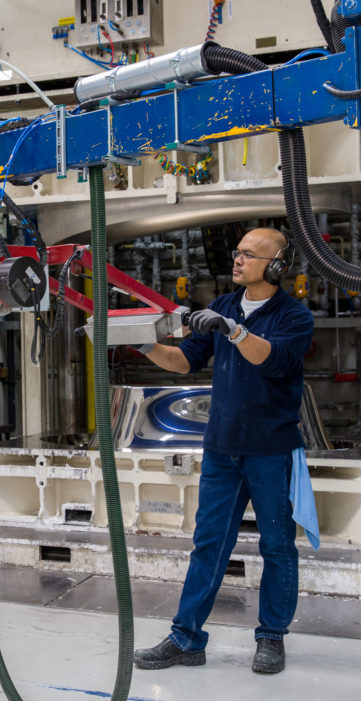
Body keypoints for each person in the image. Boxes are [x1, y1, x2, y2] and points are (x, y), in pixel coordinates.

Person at [132, 227, 315, 675]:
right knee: (209, 544)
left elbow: (272, 360)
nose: (237, 260)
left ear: (275, 266)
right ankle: (186, 639)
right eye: (237, 253)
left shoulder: (294, 317)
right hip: (222, 448)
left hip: (271, 449)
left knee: (277, 546)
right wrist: (135, 341)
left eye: (249, 255)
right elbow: (182, 360)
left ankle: (271, 637)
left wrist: (234, 332)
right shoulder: (223, 307)